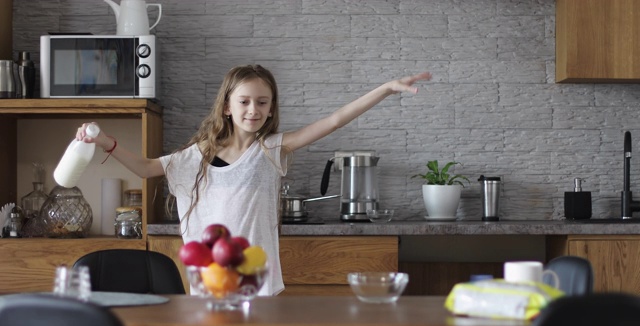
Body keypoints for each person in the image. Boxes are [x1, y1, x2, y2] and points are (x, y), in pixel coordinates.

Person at [78, 64, 432, 295]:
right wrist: (105, 142)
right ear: (228, 107)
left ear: (271, 108)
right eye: (245, 101)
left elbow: (335, 120)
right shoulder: (198, 154)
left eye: (262, 103)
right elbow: (145, 168)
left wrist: (385, 88)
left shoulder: (272, 149)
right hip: (211, 282)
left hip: (259, 283)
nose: (254, 110)